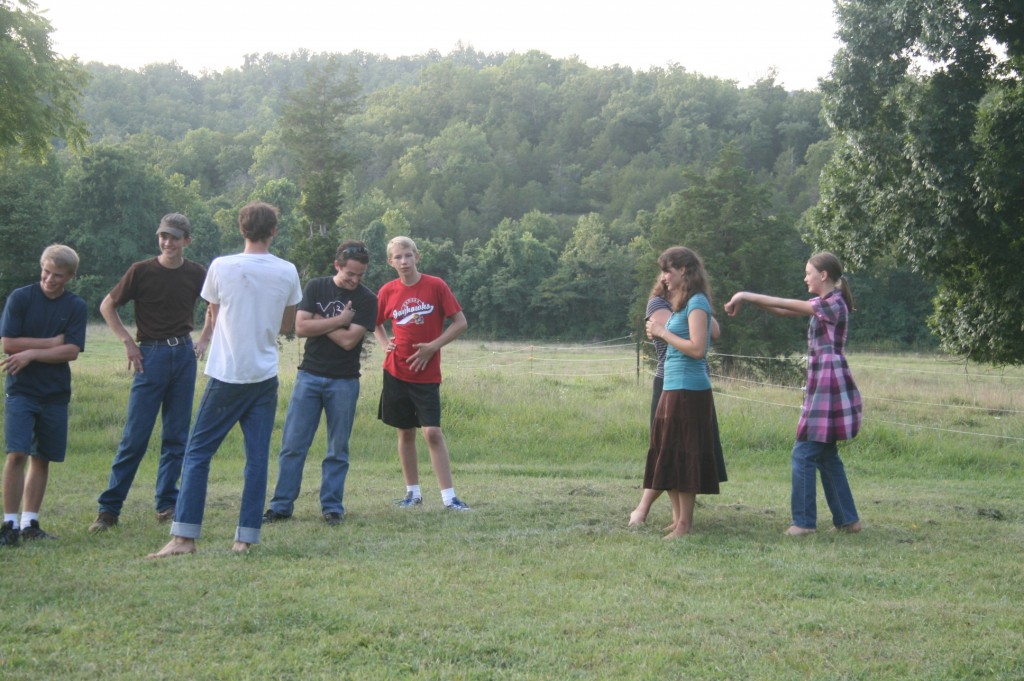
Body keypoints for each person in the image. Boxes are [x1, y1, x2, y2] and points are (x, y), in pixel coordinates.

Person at [147, 201, 301, 558]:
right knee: (257, 459)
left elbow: (213, 314)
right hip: (264, 376)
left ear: (241, 229)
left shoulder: (220, 266)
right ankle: (244, 539)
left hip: (227, 374)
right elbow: (287, 325)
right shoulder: (288, 271)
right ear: (273, 231)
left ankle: (184, 539)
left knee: (198, 453)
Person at [724, 251, 862, 536]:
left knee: (804, 452)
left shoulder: (834, 304)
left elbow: (788, 305)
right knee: (825, 454)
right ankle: (848, 520)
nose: (805, 277)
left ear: (823, 275)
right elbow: (785, 310)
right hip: (825, 383)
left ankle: (804, 523)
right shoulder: (826, 303)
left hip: (828, 385)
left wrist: (745, 295)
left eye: (809, 272)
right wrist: (750, 302)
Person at [89, 213, 212, 532]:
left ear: (187, 241)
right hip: (150, 355)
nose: (167, 242)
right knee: (135, 437)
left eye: (174, 237)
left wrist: (205, 338)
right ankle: (109, 510)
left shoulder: (197, 272)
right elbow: (107, 305)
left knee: (176, 436)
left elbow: (216, 304)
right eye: (163, 236)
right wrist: (128, 342)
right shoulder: (141, 271)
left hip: (184, 355)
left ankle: (167, 504)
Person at [263, 241, 377, 526]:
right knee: (292, 445)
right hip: (309, 377)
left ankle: (332, 507)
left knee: (338, 448)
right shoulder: (316, 286)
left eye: (360, 275)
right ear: (337, 265)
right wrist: (339, 319)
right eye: (350, 273)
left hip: (345, 382)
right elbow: (300, 328)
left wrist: (320, 320)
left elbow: (351, 341)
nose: (355, 280)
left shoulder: (367, 299)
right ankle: (281, 506)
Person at [374, 236, 471, 511]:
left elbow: (460, 322)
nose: (403, 262)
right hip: (395, 371)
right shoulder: (387, 291)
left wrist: (432, 347)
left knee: (432, 432)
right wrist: (384, 345)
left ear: (417, 256)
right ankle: (413, 494)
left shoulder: (435, 286)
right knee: (405, 432)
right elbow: (376, 324)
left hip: (426, 374)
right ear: (390, 261)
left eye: (408, 255)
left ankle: (449, 498)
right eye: (397, 257)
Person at [1, 245, 88, 545]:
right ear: (41, 266)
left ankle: (30, 523)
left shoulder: (75, 306)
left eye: (57, 275)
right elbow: (8, 343)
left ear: (70, 276)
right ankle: (8, 525)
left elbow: (72, 351)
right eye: (46, 271)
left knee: (42, 457)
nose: (49, 279)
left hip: (55, 393)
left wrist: (32, 354)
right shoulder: (21, 298)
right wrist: (50, 343)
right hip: (21, 389)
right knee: (17, 453)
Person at [629, 273, 725, 527]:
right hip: (668, 380)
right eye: (661, 272)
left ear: (684, 272)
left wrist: (695, 307)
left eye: (667, 270)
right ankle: (671, 516)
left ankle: (679, 520)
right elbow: (664, 332)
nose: (663, 276)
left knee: (682, 449)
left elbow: (709, 334)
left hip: (688, 383)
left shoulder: (694, 302)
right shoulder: (658, 303)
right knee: (668, 449)